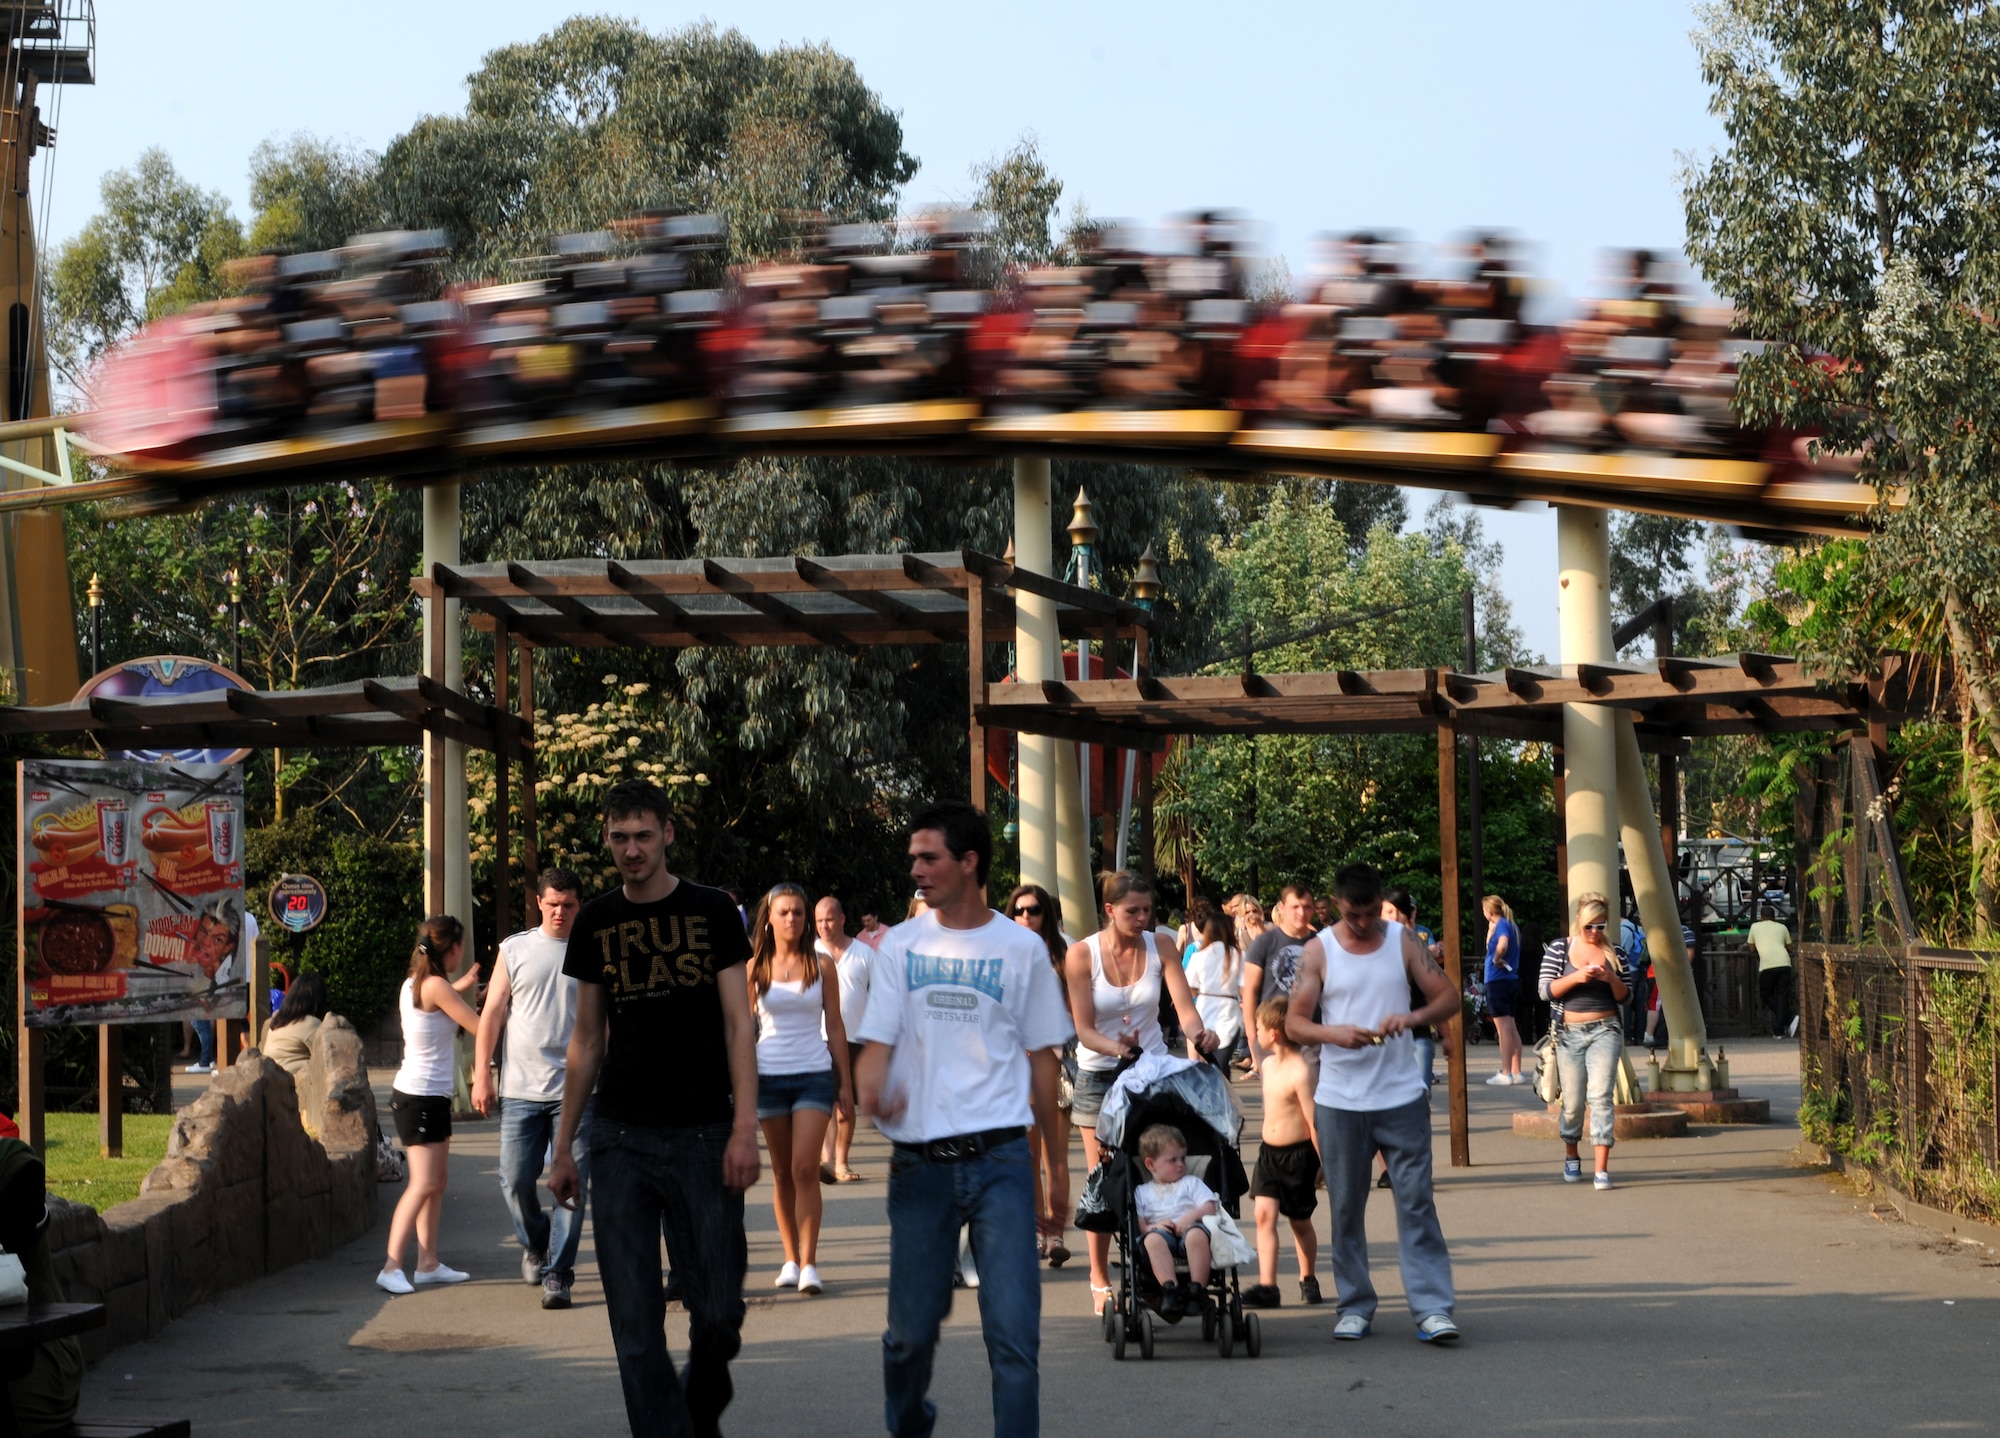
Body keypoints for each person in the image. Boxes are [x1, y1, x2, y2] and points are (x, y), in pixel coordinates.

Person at [855, 800, 1073, 1438]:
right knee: (908, 1341)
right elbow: (877, 1044)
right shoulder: (899, 945)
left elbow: (1042, 1064)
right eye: (913, 858)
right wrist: (870, 1086)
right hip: (919, 1167)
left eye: (930, 857)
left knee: (1014, 1342)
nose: (916, 870)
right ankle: (910, 1419)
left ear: (968, 861)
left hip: (1001, 1163)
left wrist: (1054, 1173)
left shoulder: (1021, 949)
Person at [549, 779, 759, 1438]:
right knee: (636, 1325)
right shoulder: (596, 921)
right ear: (607, 840)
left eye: (643, 835)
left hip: (705, 1132)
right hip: (620, 1138)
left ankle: (694, 1411)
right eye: (620, 838)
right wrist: (563, 1145)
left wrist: (744, 1129)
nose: (632, 849)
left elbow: (738, 1024)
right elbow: (587, 1038)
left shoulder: (712, 911)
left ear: (667, 834)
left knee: (719, 1311)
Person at [1286, 862, 1461, 1343]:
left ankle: (1431, 1307)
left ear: (1379, 901)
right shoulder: (1318, 950)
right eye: (1352, 913)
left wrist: (1412, 1017)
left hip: (1401, 1095)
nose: (1362, 922)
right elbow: (1294, 1023)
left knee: (1416, 1202)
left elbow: (1448, 998)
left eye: (1369, 913)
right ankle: (1356, 1304)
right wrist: (1334, 1034)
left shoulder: (1403, 942)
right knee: (1345, 1205)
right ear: (1337, 903)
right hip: (1340, 1100)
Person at [1065, 869, 1217, 1315]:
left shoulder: (1161, 946)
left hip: (1150, 1072)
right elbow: (1084, 1029)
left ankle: (1156, 1269)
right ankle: (1099, 1273)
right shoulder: (1082, 955)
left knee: (1156, 1168)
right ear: (1109, 910)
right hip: (1100, 1072)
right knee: (1106, 1179)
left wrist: (1200, 1034)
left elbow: (1184, 1009)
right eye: (1132, 911)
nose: (1142, 918)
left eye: (1147, 910)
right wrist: (1115, 1047)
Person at [472, 868, 591, 1310]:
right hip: (521, 1088)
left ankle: (558, 1274)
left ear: (580, 906)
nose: (560, 912)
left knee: (573, 1187)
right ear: (539, 904)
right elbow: (494, 1012)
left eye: (569, 905)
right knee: (515, 1179)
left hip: (576, 1092)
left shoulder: (593, 949)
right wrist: (482, 1073)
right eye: (553, 904)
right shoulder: (516, 948)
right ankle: (536, 1242)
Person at [749, 881, 852, 1295]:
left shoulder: (821, 964)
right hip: (768, 1077)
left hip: (813, 1074)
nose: (791, 919)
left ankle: (810, 1264)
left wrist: (844, 1084)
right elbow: (742, 1029)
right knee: (780, 1173)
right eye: (784, 912)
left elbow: (837, 1026)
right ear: (769, 919)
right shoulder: (754, 968)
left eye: (797, 912)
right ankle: (790, 1259)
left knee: (804, 1168)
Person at [378, 914, 483, 1295]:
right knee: (423, 1183)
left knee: (437, 1182)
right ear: (451, 949)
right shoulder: (437, 986)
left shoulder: (416, 983)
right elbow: (478, 1025)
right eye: (461, 947)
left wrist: (465, 984)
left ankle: (428, 1263)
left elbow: (442, 999)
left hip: (427, 1096)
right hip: (418, 1097)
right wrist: (504, 1003)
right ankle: (391, 1265)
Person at [1537, 893, 1630, 1190]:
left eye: (1600, 927)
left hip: (1606, 1029)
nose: (1594, 933)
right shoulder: (1559, 948)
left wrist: (1609, 979)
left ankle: (1601, 1169)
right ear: (1579, 921)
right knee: (1574, 1102)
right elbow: (1545, 991)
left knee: (1601, 1096)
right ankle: (1571, 1153)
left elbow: (1627, 996)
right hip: (1568, 1034)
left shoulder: (1615, 952)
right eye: (1589, 926)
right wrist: (1576, 978)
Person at [1007, 882, 1073, 1268]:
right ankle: (1036, 1232)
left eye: (1033, 910)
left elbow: (1075, 1009)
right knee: (1027, 1159)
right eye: (1019, 910)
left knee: (1056, 1157)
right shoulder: (1002, 953)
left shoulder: (1064, 951)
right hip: (1016, 1064)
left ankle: (1057, 1235)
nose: (1026, 917)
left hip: (1057, 1063)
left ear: (1046, 913)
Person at [1242, 996, 1322, 1309]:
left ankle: (1308, 1277)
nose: (1255, 1034)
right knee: (1263, 1215)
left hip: (1299, 1156)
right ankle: (1268, 1286)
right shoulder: (1267, 1063)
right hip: (1268, 1154)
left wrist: (1322, 1162)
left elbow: (1313, 1121)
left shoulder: (1301, 1071)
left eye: (1259, 1029)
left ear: (1273, 1033)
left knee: (1299, 1221)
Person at [1133, 1123, 1217, 1324]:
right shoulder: (1142, 1192)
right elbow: (1141, 1225)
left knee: (1198, 1235)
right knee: (1151, 1240)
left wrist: (1192, 1216)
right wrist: (1154, 1228)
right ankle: (1170, 1289)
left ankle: (1197, 1289)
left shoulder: (1191, 1183)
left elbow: (1210, 1207)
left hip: (1191, 1230)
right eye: (1173, 1160)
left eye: (1182, 1158)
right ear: (1151, 1165)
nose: (1180, 1164)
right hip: (1162, 1233)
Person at [815, 895, 872, 1184]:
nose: (824, 926)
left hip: (855, 1037)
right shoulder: (809, 953)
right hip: (818, 1039)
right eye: (819, 921)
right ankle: (826, 1158)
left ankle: (842, 1161)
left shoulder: (864, 953)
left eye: (829, 919)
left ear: (841, 919)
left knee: (846, 1103)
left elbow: (880, 996)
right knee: (826, 1101)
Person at [1241, 883, 1315, 1076]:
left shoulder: (1321, 943)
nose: (1301, 912)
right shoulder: (1265, 942)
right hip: (1273, 1034)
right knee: (1278, 1100)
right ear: (1282, 908)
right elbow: (1249, 990)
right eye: (1295, 907)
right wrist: (1252, 1035)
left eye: (1307, 907)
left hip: (1311, 1034)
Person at [1383, 888, 1445, 1090]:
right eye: (1389, 911)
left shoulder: (1417, 944)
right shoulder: (1370, 949)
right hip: (1384, 1040)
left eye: (1400, 911)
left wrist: (1447, 1034)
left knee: (1421, 1096)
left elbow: (1434, 993)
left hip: (1418, 1034)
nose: (1395, 916)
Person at [1182, 909, 1244, 1075]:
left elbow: (1190, 988)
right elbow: (1244, 987)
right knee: (1222, 1063)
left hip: (1204, 1009)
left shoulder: (1199, 955)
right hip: (1230, 1010)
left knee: (1207, 1061)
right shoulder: (1238, 954)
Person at [1482, 894, 1525, 1085]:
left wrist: (1495, 958)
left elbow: (1502, 944)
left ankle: (1505, 1072)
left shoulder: (1501, 926)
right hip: (1511, 979)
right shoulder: (1512, 925)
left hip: (1497, 980)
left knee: (1503, 1030)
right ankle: (1516, 1071)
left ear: (1489, 911)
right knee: (1511, 1027)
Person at [262, 969, 327, 1079]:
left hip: (271, 1080)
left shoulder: (278, 1018)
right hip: (292, 1083)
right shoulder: (310, 1023)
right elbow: (326, 1055)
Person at [1749, 904, 1795, 1038]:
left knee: (1765, 994)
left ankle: (1788, 1020)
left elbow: (1752, 948)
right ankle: (1781, 1028)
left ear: (1761, 917)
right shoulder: (1782, 927)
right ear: (1774, 917)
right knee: (1782, 996)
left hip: (1767, 964)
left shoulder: (1755, 927)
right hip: (1785, 963)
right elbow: (1790, 947)